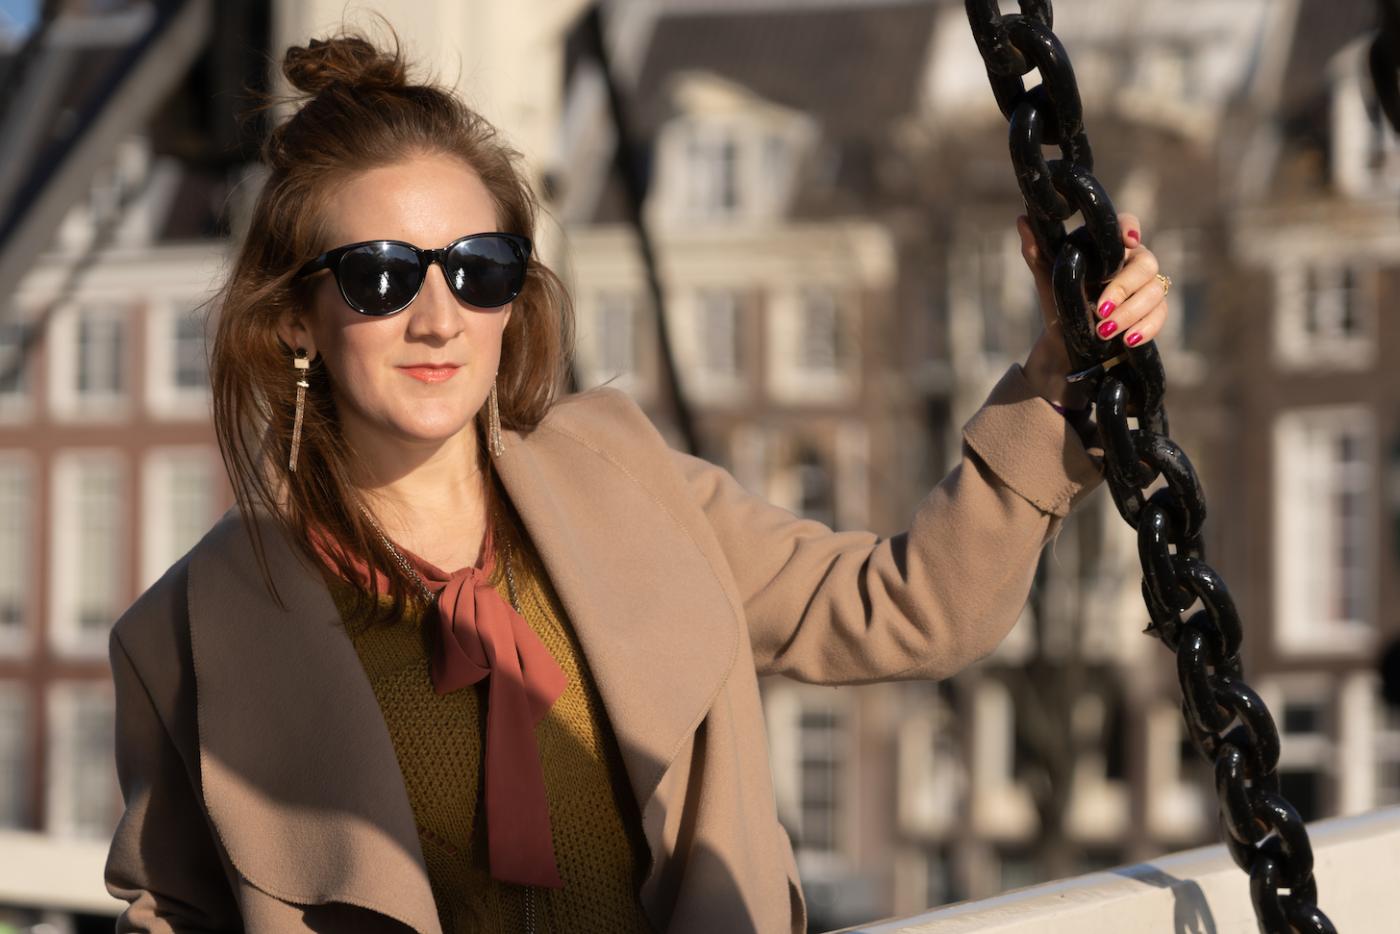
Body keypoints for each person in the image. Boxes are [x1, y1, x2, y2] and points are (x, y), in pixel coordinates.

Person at [102, 27, 1173, 934]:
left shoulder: (624, 478)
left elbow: (914, 609)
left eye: (478, 271)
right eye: (380, 276)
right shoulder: (190, 634)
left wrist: (1051, 377)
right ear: (297, 314)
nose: (437, 318)